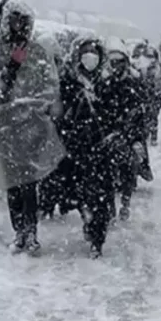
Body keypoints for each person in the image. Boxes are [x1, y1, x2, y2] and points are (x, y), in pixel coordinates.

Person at [0, 0, 65, 254]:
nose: (18, 27)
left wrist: (40, 108)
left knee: (29, 183)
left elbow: (51, 87)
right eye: (13, 21)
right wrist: (12, 66)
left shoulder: (38, 52)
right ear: (4, 22)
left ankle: (31, 232)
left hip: (32, 128)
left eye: (23, 21)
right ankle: (19, 231)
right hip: (5, 128)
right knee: (12, 183)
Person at [60, 37, 117, 257]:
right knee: (80, 192)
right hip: (77, 146)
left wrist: (112, 133)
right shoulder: (70, 81)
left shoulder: (108, 82)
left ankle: (97, 238)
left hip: (102, 146)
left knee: (102, 194)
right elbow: (62, 112)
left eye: (93, 54)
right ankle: (87, 217)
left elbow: (115, 111)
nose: (89, 58)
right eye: (85, 54)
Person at [101, 41, 149, 221]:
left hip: (129, 134)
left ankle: (125, 202)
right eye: (112, 62)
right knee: (106, 172)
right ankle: (110, 207)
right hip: (109, 135)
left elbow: (139, 113)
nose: (116, 66)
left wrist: (134, 137)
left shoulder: (133, 83)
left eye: (119, 62)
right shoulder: (104, 84)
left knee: (128, 169)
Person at [132, 41, 161, 145]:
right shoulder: (140, 68)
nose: (151, 60)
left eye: (152, 57)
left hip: (156, 96)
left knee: (153, 116)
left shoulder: (160, 67)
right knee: (143, 116)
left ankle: (153, 137)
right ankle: (145, 134)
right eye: (148, 57)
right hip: (143, 96)